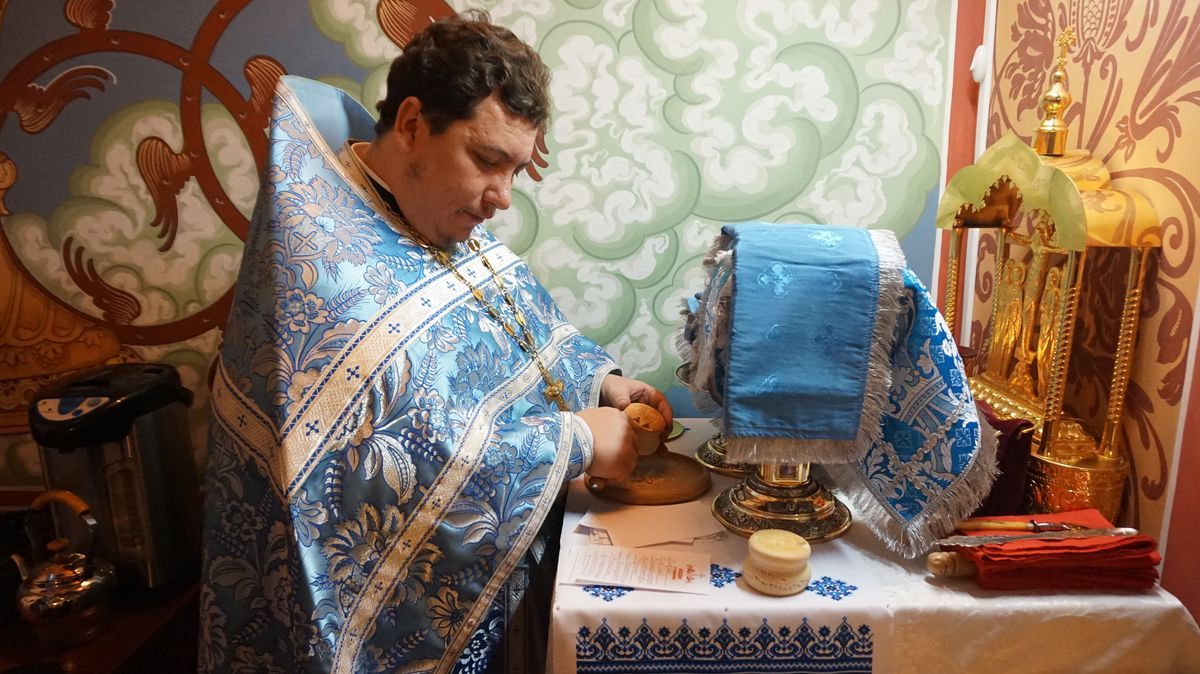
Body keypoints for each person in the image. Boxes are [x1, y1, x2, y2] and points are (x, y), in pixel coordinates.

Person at [198, 11, 672, 674]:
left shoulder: (426, 211)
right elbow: (381, 475)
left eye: (514, 169)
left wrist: (601, 384)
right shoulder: (327, 269)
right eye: (487, 160)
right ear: (413, 123)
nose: (502, 198)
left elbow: (515, 337)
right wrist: (575, 442)